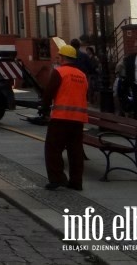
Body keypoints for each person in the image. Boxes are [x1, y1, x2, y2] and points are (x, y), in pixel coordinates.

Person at [41, 44, 89, 191]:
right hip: (78, 119)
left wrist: (43, 109)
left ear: (62, 58)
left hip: (61, 118)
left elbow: (49, 92)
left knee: (53, 149)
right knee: (75, 151)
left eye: (59, 56)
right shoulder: (82, 75)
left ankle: (57, 178)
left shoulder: (59, 72)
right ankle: (76, 182)